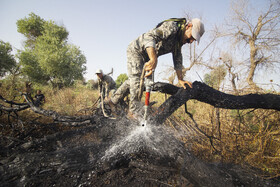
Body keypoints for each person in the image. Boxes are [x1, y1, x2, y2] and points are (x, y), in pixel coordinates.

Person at [110, 18, 205, 118]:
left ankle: (113, 101)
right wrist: (153, 59)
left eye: (193, 40)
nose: (190, 41)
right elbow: (149, 36)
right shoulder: (172, 27)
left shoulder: (178, 42)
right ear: (188, 26)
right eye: (191, 37)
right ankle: (133, 113)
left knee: (145, 83)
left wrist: (180, 79)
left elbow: (177, 57)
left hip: (148, 56)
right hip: (137, 50)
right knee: (137, 81)